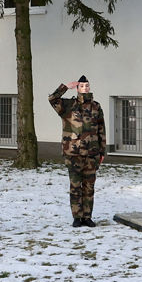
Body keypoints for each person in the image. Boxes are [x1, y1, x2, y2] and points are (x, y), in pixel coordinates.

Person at [48, 75, 107, 227]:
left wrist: (102, 152)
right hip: (73, 154)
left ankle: (87, 217)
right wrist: (65, 87)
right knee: (75, 186)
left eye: (87, 86)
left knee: (89, 187)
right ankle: (77, 217)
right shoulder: (68, 105)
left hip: (92, 154)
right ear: (77, 88)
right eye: (82, 86)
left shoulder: (96, 106)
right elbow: (52, 99)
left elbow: (101, 129)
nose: (85, 88)